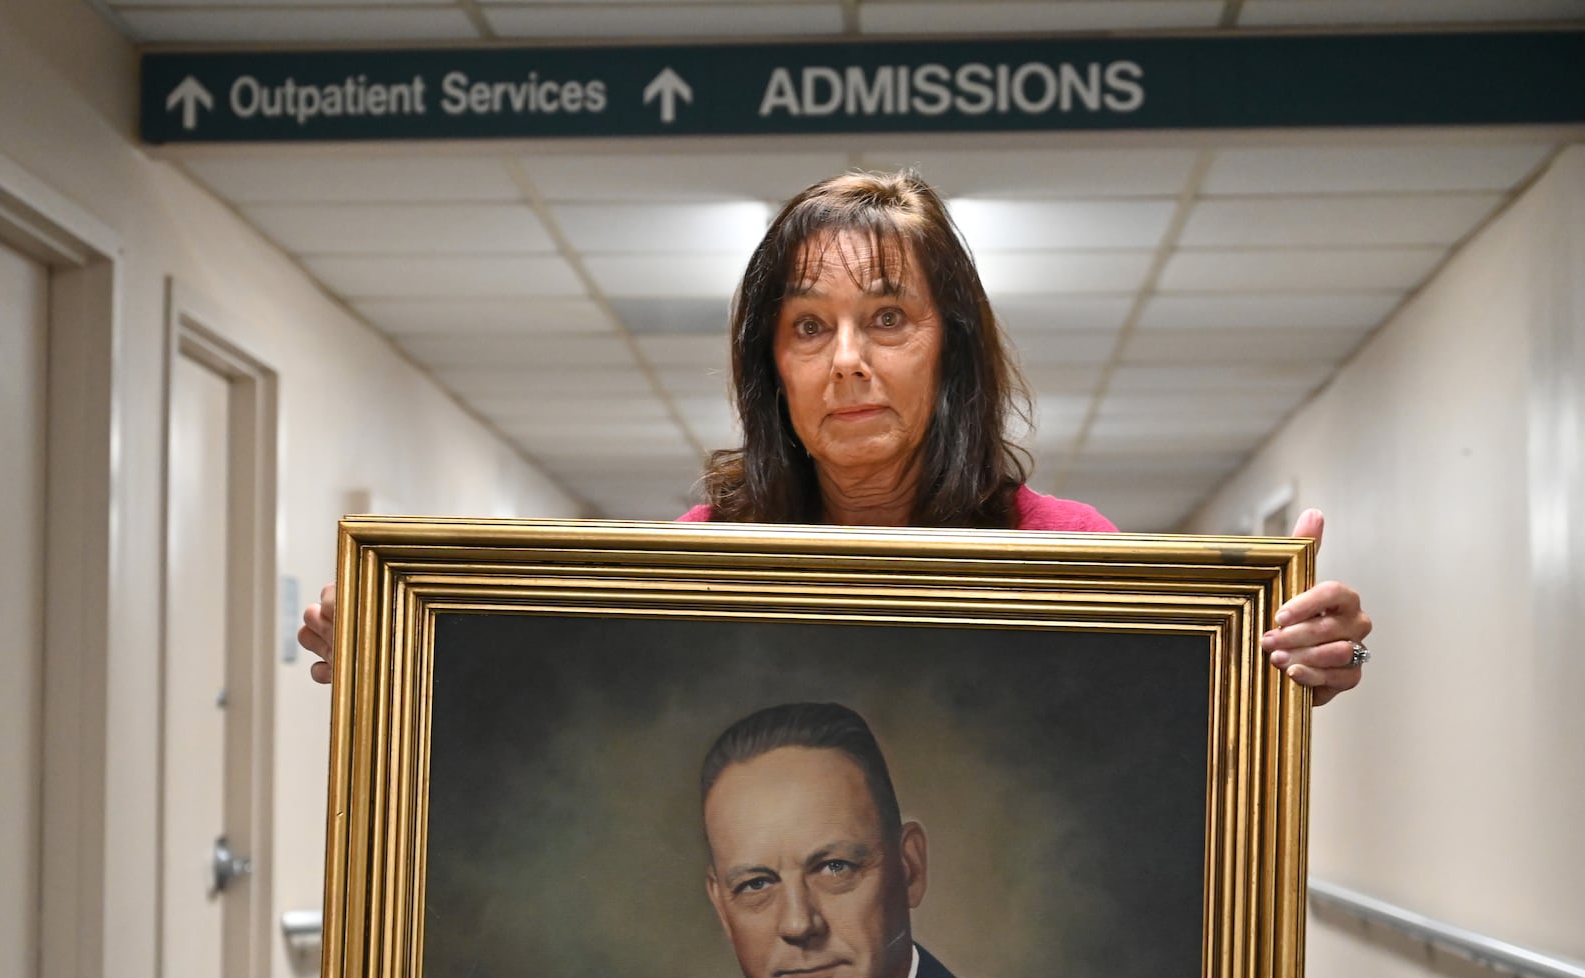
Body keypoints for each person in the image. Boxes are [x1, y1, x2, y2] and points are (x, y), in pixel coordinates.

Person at [299, 170, 1371, 698]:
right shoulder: (695, 557)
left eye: (888, 318)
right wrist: (400, 655)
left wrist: (1289, 660)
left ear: (949, 349)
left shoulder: (1067, 552)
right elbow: (559, 693)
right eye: (808, 327)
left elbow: (1179, 733)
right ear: (771, 368)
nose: (847, 358)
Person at [614, 701, 1170, 978]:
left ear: (910, 868)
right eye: (757, 883)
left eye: (834, 867)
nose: (798, 924)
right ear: (721, 904)